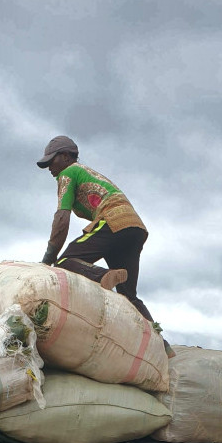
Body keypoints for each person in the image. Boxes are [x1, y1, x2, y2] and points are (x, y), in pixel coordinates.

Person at [36, 135, 155, 323]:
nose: (50, 167)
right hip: (134, 227)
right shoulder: (85, 172)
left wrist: (47, 261)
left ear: (66, 156)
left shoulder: (68, 173)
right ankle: (162, 344)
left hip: (112, 220)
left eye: (52, 161)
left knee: (65, 261)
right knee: (129, 296)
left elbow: (61, 218)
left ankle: (103, 276)